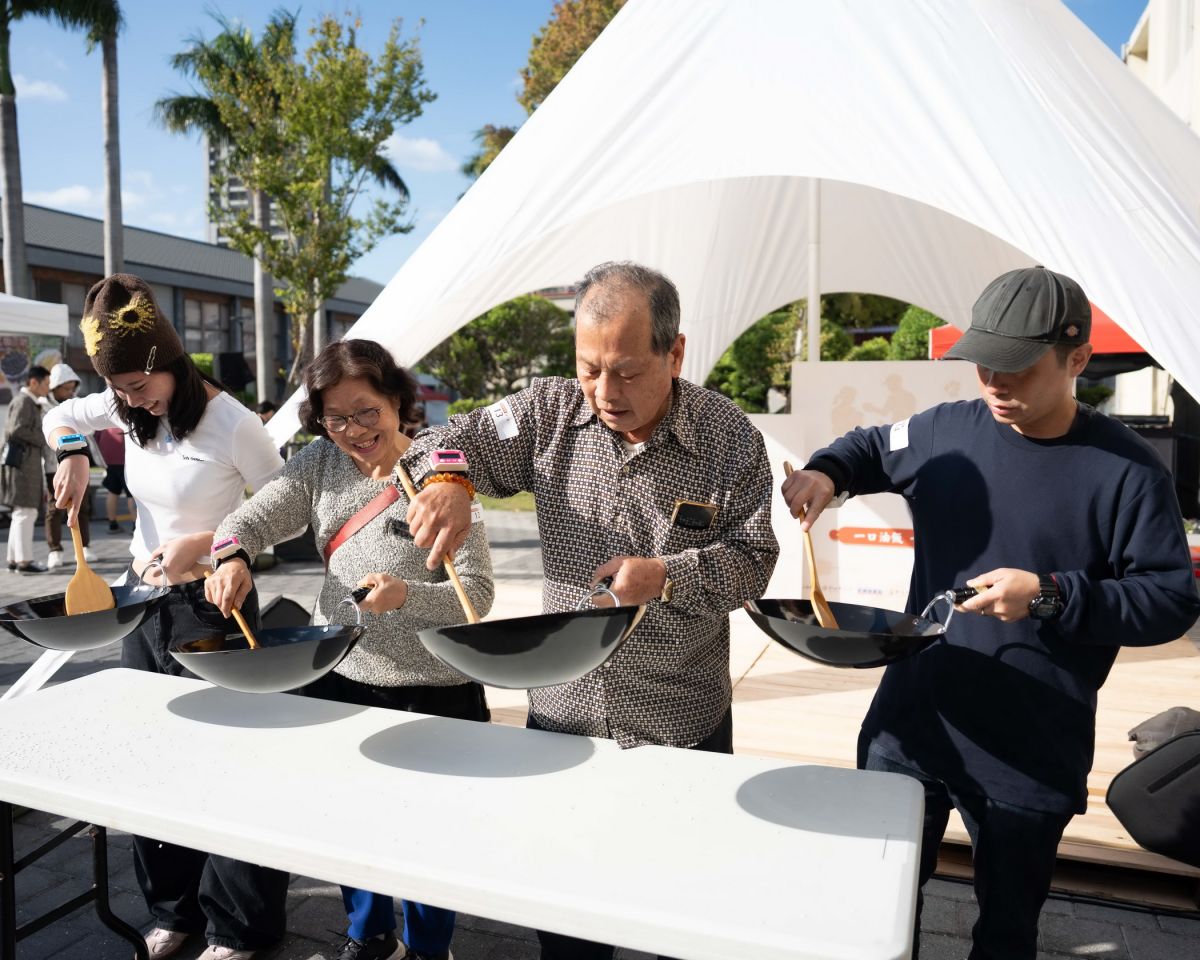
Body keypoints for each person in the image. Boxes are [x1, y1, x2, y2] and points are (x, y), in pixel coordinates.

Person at [780, 266, 1200, 960]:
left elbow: (1169, 599)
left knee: (1006, 932)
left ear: (1077, 361)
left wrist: (1050, 594)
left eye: (1017, 368)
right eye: (983, 366)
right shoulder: (946, 431)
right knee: (872, 909)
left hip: (1029, 752)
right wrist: (829, 472)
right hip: (910, 728)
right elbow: (868, 448)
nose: (995, 384)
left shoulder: (1126, 471)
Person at [405, 260, 779, 960]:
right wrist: (452, 479)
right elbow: (438, 439)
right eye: (588, 369)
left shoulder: (729, 441)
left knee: (682, 919)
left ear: (675, 352)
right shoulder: (547, 413)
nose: (605, 393)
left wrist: (666, 575)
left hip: (681, 724)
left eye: (629, 371)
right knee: (571, 924)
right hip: (564, 723)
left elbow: (755, 559)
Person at [206, 338, 494, 960]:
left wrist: (406, 595)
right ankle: (368, 935)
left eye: (366, 412)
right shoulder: (317, 465)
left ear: (396, 401)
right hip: (340, 676)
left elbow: (477, 594)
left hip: (434, 689)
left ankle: (427, 945)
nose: (353, 430)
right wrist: (231, 556)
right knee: (350, 817)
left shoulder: (442, 472)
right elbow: (245, 520)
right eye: (336, 418)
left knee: (426, 829)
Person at [44, 274, 289, 960]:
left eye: (137, 386)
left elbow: (286, 509)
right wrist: (71, 452)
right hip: (141, 605)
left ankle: (239, 928)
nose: (128, 401)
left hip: (215, 604)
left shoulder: (233, 422)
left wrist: (214, 548)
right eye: (117, 389)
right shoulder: (126, 409)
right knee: (151, 762)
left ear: (170, 363)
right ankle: (172, 912)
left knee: (224, 768)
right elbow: (57, 416)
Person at [39, 363, 99, 568]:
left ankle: (84, 547)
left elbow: (89, 433)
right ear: (55, 387)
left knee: (82, 506)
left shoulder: (76, 405)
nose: (70, 392)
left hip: (79, 465)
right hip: (51, 466)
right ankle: (54, 549)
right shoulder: (41, 406)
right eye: (66, 388)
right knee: (54, 508)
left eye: (73, 387)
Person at [2, 365, 50, 573]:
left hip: (21, 463)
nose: (48, 388)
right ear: (33, 382)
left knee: (22, 513)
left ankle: (14, 559)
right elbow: (16, 429)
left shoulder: (28, 402)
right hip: (22, 465)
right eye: (46, 384)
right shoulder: (24, 401)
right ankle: (24, 561)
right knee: (26, 512)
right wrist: (43, 438)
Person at [96, 425, 134, 531]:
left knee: (112, 491)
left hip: (109, 460)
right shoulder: (124, 420)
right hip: (126, 460)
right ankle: (135, 526)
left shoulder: (104, 422)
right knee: (131, 493)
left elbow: (97, 437)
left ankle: (112, 524)